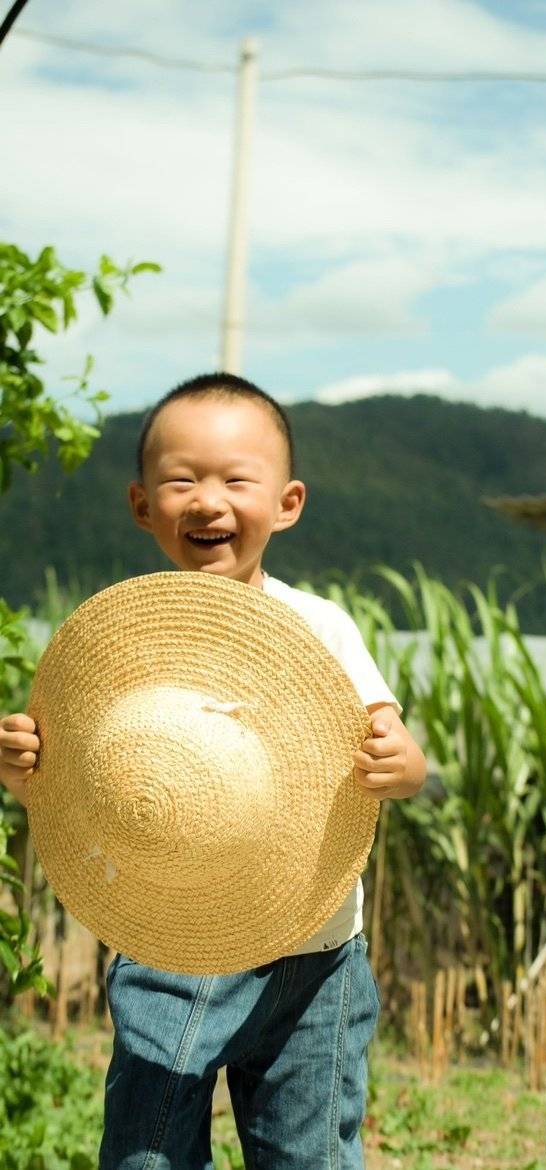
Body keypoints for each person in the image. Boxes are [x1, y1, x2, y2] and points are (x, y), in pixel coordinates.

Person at [0, 371, 427, 1169]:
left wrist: (400, 765)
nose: (208, 501)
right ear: (141, 505)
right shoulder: (117, 641)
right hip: (172, 938)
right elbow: (75, 787)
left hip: (316, 952)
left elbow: (395, 749)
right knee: (146, 1151)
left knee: (311, 1154)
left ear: (288, 502)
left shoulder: (319, 628)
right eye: (182, 480)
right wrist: (26, 770)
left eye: (237, 479)